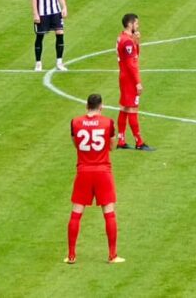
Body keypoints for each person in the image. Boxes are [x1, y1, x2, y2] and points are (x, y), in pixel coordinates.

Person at [67, 92, 124, 264]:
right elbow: (113, 146)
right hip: (103, 171)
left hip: (83, 170)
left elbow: (75, 143)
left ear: (86, 106)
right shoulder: (108, 122)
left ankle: (71, 255)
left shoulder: (75, 122)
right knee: (109, 211)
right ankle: (112, 255)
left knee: (77, 211)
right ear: (101, 106)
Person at [116, 13, 151, 150]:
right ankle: (139, 142)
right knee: (132, 109)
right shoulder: (128, 41)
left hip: (123, 76)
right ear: (130, 24)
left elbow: (135, 55)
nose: (138, 26)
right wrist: (137, 82)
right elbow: (132, 63)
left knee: (124, 108)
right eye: (136, 23)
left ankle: (121, 140)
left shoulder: (122, 38)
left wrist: (137, 42)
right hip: (129, 78)